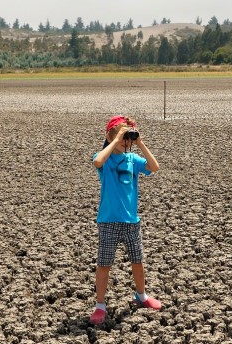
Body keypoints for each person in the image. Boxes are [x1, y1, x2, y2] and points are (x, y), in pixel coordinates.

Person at [89, 115, 162, 325]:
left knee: (138, 261)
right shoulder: (106, 159)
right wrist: (114, 140)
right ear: (110, 135)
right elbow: (97, 161)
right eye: (122, 136)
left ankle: (141, 296)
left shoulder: (133, 160)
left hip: (131, 221)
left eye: (127, 136)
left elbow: (154, 166)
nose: (125, 140)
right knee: (104, 264)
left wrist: (139, 142)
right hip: (109, 221)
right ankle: (100, 305)